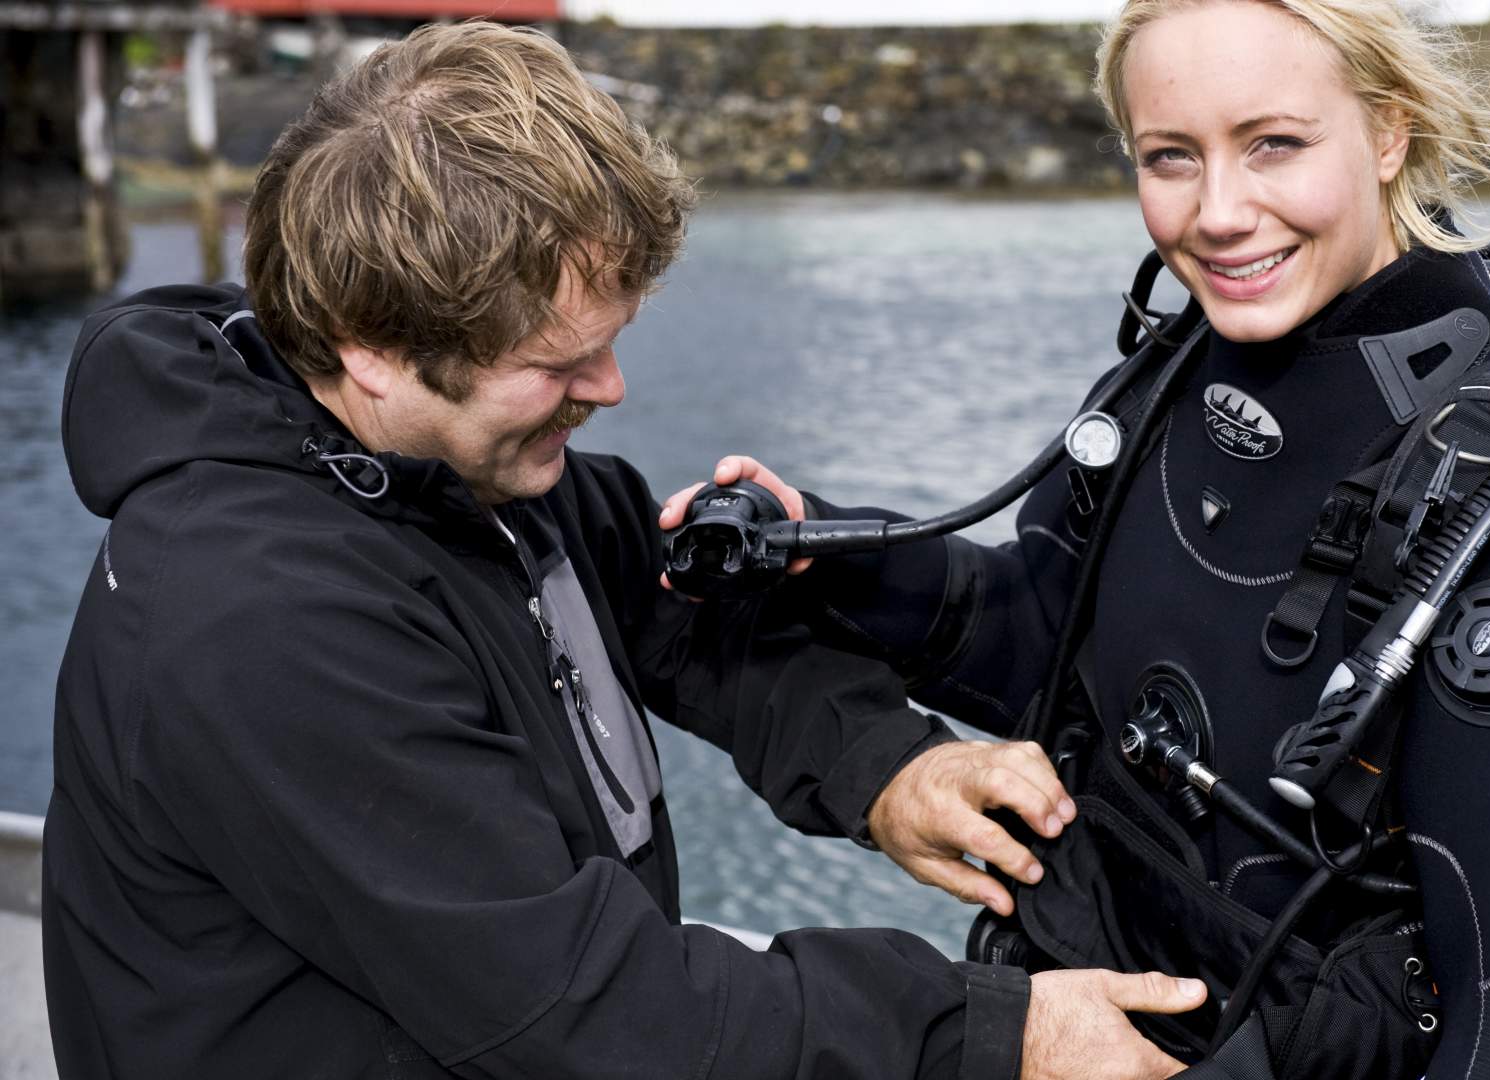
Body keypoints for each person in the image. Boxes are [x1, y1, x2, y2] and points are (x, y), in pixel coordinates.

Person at [40, 23, 1213, 1080]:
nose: (608, 389)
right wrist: (997, 1034)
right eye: (557, 366)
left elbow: (672, 613)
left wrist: (884, 767)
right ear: (374, 349)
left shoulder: (456, 469)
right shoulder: (260, 625)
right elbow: (591, 1014)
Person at [663, 2, 1490, 1077]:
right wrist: (838, 555)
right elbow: (1054, 646)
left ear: (1388, 130)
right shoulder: (1173, 381)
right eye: (1170, 157)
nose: (1220, 213)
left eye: (1274, 144)